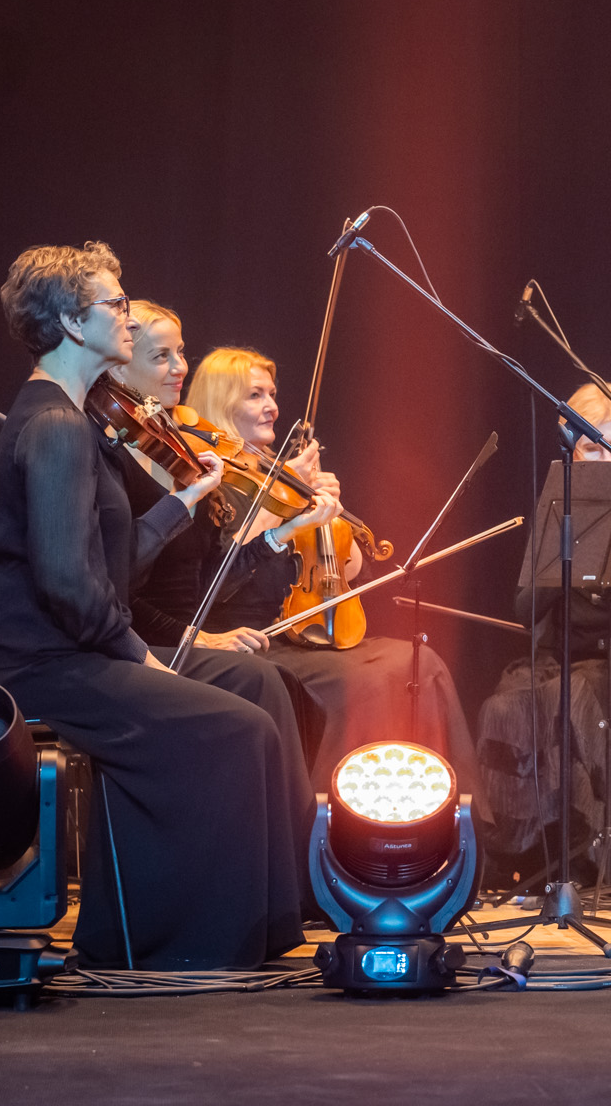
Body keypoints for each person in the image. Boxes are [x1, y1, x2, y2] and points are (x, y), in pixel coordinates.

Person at [0, 244, 307, 969]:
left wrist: (184, 503)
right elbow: (67, 587)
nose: (128, 316)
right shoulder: (55, 426)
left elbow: (105, 570)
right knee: (236, 727)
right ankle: (174, 944)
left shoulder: (80, 418)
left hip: (81, 648)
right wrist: (141, 658)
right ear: (71, 322)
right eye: (115, 304)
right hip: (43, 664)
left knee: (254, 682)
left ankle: (278, 919)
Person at [176, 345, 488, 810]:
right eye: (254, 395)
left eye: (272, 394)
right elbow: (220, 575)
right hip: (252, 638)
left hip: (309, 634)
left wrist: (331, 517)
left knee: (422, 664)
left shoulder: (279, 475)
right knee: (364, 683)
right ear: (221, 402)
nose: (271, 406)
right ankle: (331, 819)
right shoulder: (207, 479)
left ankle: (441, 817)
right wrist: (279, 495)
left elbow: (350, 572)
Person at [110, 300, 332, 769]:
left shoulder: (178, 450)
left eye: (181, 352)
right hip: (152, 644)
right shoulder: (117, 461)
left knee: (292, 696)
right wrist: (197, 637)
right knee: (269, 685)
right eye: (161, 356)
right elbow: (120, 591)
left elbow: (212, 574)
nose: (179, 368)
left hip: (192, 636)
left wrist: (288, 529)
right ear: (122, 361)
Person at [478, 382, 611, 888]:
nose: (606, 457)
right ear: (573, 452)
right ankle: (526, 853)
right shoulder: (560, 508)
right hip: (562, 662)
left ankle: (599, 857)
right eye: (593, 447)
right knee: (505, 704)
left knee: (575, 697)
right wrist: (568, 551)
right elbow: (526, 610)